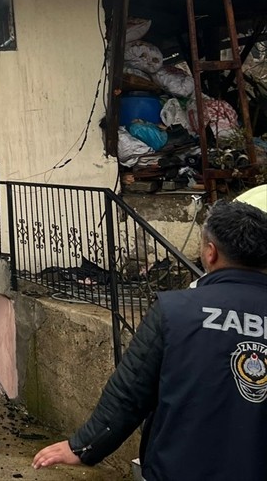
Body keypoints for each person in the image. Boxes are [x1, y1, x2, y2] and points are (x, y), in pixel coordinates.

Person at [33, 199, 267, 479]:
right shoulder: (175, 311)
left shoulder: (175, 311)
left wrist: (84, 446)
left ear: (210, 252)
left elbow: (130, 392)